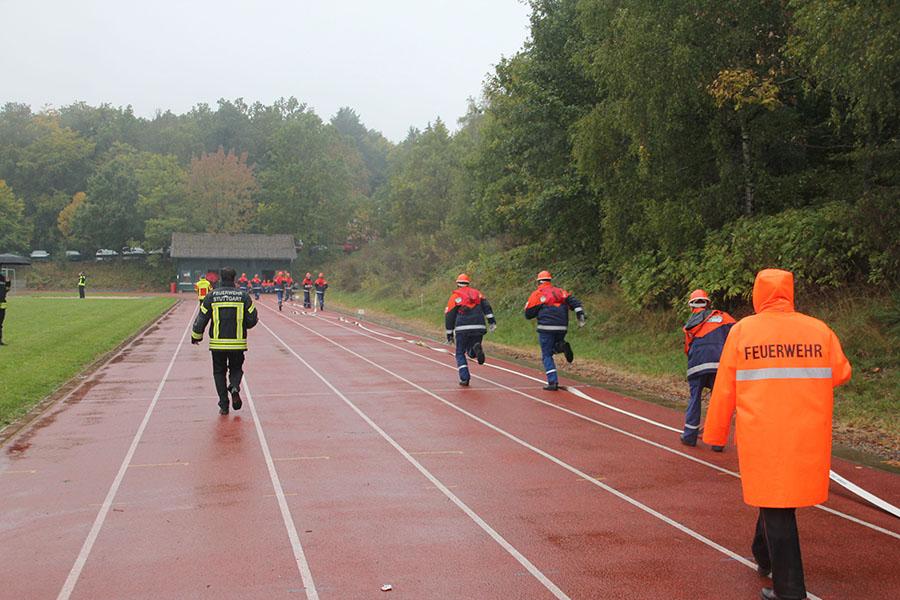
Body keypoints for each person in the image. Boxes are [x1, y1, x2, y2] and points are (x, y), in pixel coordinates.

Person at [703, 269, 851, 600]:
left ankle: (790, 591)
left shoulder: (743, 331)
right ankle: (763, 554)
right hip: (806, 434)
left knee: (775, 499)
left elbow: (724, 389)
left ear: (759, 294)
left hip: (763, 436)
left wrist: (715, 433)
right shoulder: (819, 330)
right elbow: (841, 372)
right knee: (777, 498)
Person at [191, 267, 259, 415]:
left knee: (219, 372)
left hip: (217, 344)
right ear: (234, 279)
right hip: (238, 343)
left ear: (220, 278)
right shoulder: (243, 296)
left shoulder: (211, 296)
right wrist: (244, 325)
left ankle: (224, 405)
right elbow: (253, 319)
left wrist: (196, 336)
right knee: (236, 368)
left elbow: (201, 318)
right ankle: (234, 386)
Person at [680, 288, 735, 449]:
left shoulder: (690, 324)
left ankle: (689, 436)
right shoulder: (724, 317)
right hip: (720, 364)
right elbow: (738, 333)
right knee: (718, 401)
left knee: (695, 398)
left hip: (697, 365)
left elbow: (687, 348)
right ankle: (716, 442)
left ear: (691, 306)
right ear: (708, 303)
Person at [524, 270, 585, 391]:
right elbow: (576, 303)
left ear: (538, 282)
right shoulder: (561, 292)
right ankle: (562, 347)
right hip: (562, 327)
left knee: (546, 355)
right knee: (553, 348)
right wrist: (580, 315)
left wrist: (535, 309)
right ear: (550, 280)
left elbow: (528, 314)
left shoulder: (537, 294)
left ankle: (553, 382)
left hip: (546, 328)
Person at [444, 274, 497, 386]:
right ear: (468, 283)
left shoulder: (455, 296)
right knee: (472, 351)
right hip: (479, 326)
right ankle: (475, 349)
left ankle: (465, 378)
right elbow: (487, 307)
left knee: (460, 353)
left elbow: (449, 315)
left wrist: (449, 333)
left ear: (457, 284)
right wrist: (491, 321)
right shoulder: (478, 294)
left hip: (462, 328)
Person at [0, 272, 10, 345]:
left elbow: (7, 288)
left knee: (0, 324)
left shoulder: (3, 282)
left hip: (2, 307)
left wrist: (8, 282)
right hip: (2, 306)